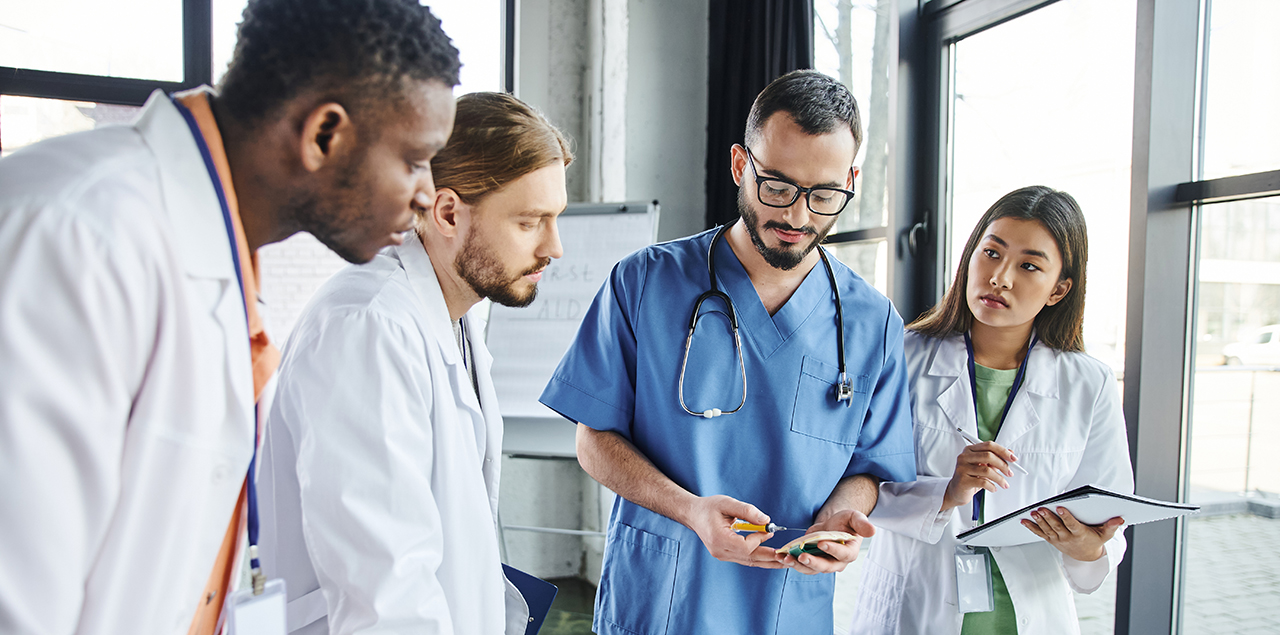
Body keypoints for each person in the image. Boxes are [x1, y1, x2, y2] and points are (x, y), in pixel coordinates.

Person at [0, 1, 460, 633]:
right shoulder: (80, 236)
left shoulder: (218, 252)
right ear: (324, 134)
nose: (428, 193)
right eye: (413, 159)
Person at [539, 69, 916, 634]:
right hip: (662, 600)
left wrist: (843, 516)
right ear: (742, 165)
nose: (798, 216)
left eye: (825, 194)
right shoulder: (645, 283)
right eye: (778, 187)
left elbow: (869, 466)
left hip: (787, 608)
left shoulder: (873, 322)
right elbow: (593, 439)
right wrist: (690, 511)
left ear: (852, 179)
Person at [258, 91, 571, 635]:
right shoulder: (367, 327)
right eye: (530, 222)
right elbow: (385, 593)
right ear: (447, 212)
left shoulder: (456, 319)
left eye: (555, 218)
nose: (554, 246)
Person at [849, 186, 1134, 635]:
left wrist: (1088, 548)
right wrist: (947, 492)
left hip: (1030, 616)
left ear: (1059, 289)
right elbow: (858, 484)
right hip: (915, 609)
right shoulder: (902, 356)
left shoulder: (1088, 383)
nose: (1000, 277)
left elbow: (1107, 515)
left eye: (1028, 266)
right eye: (991, 253)